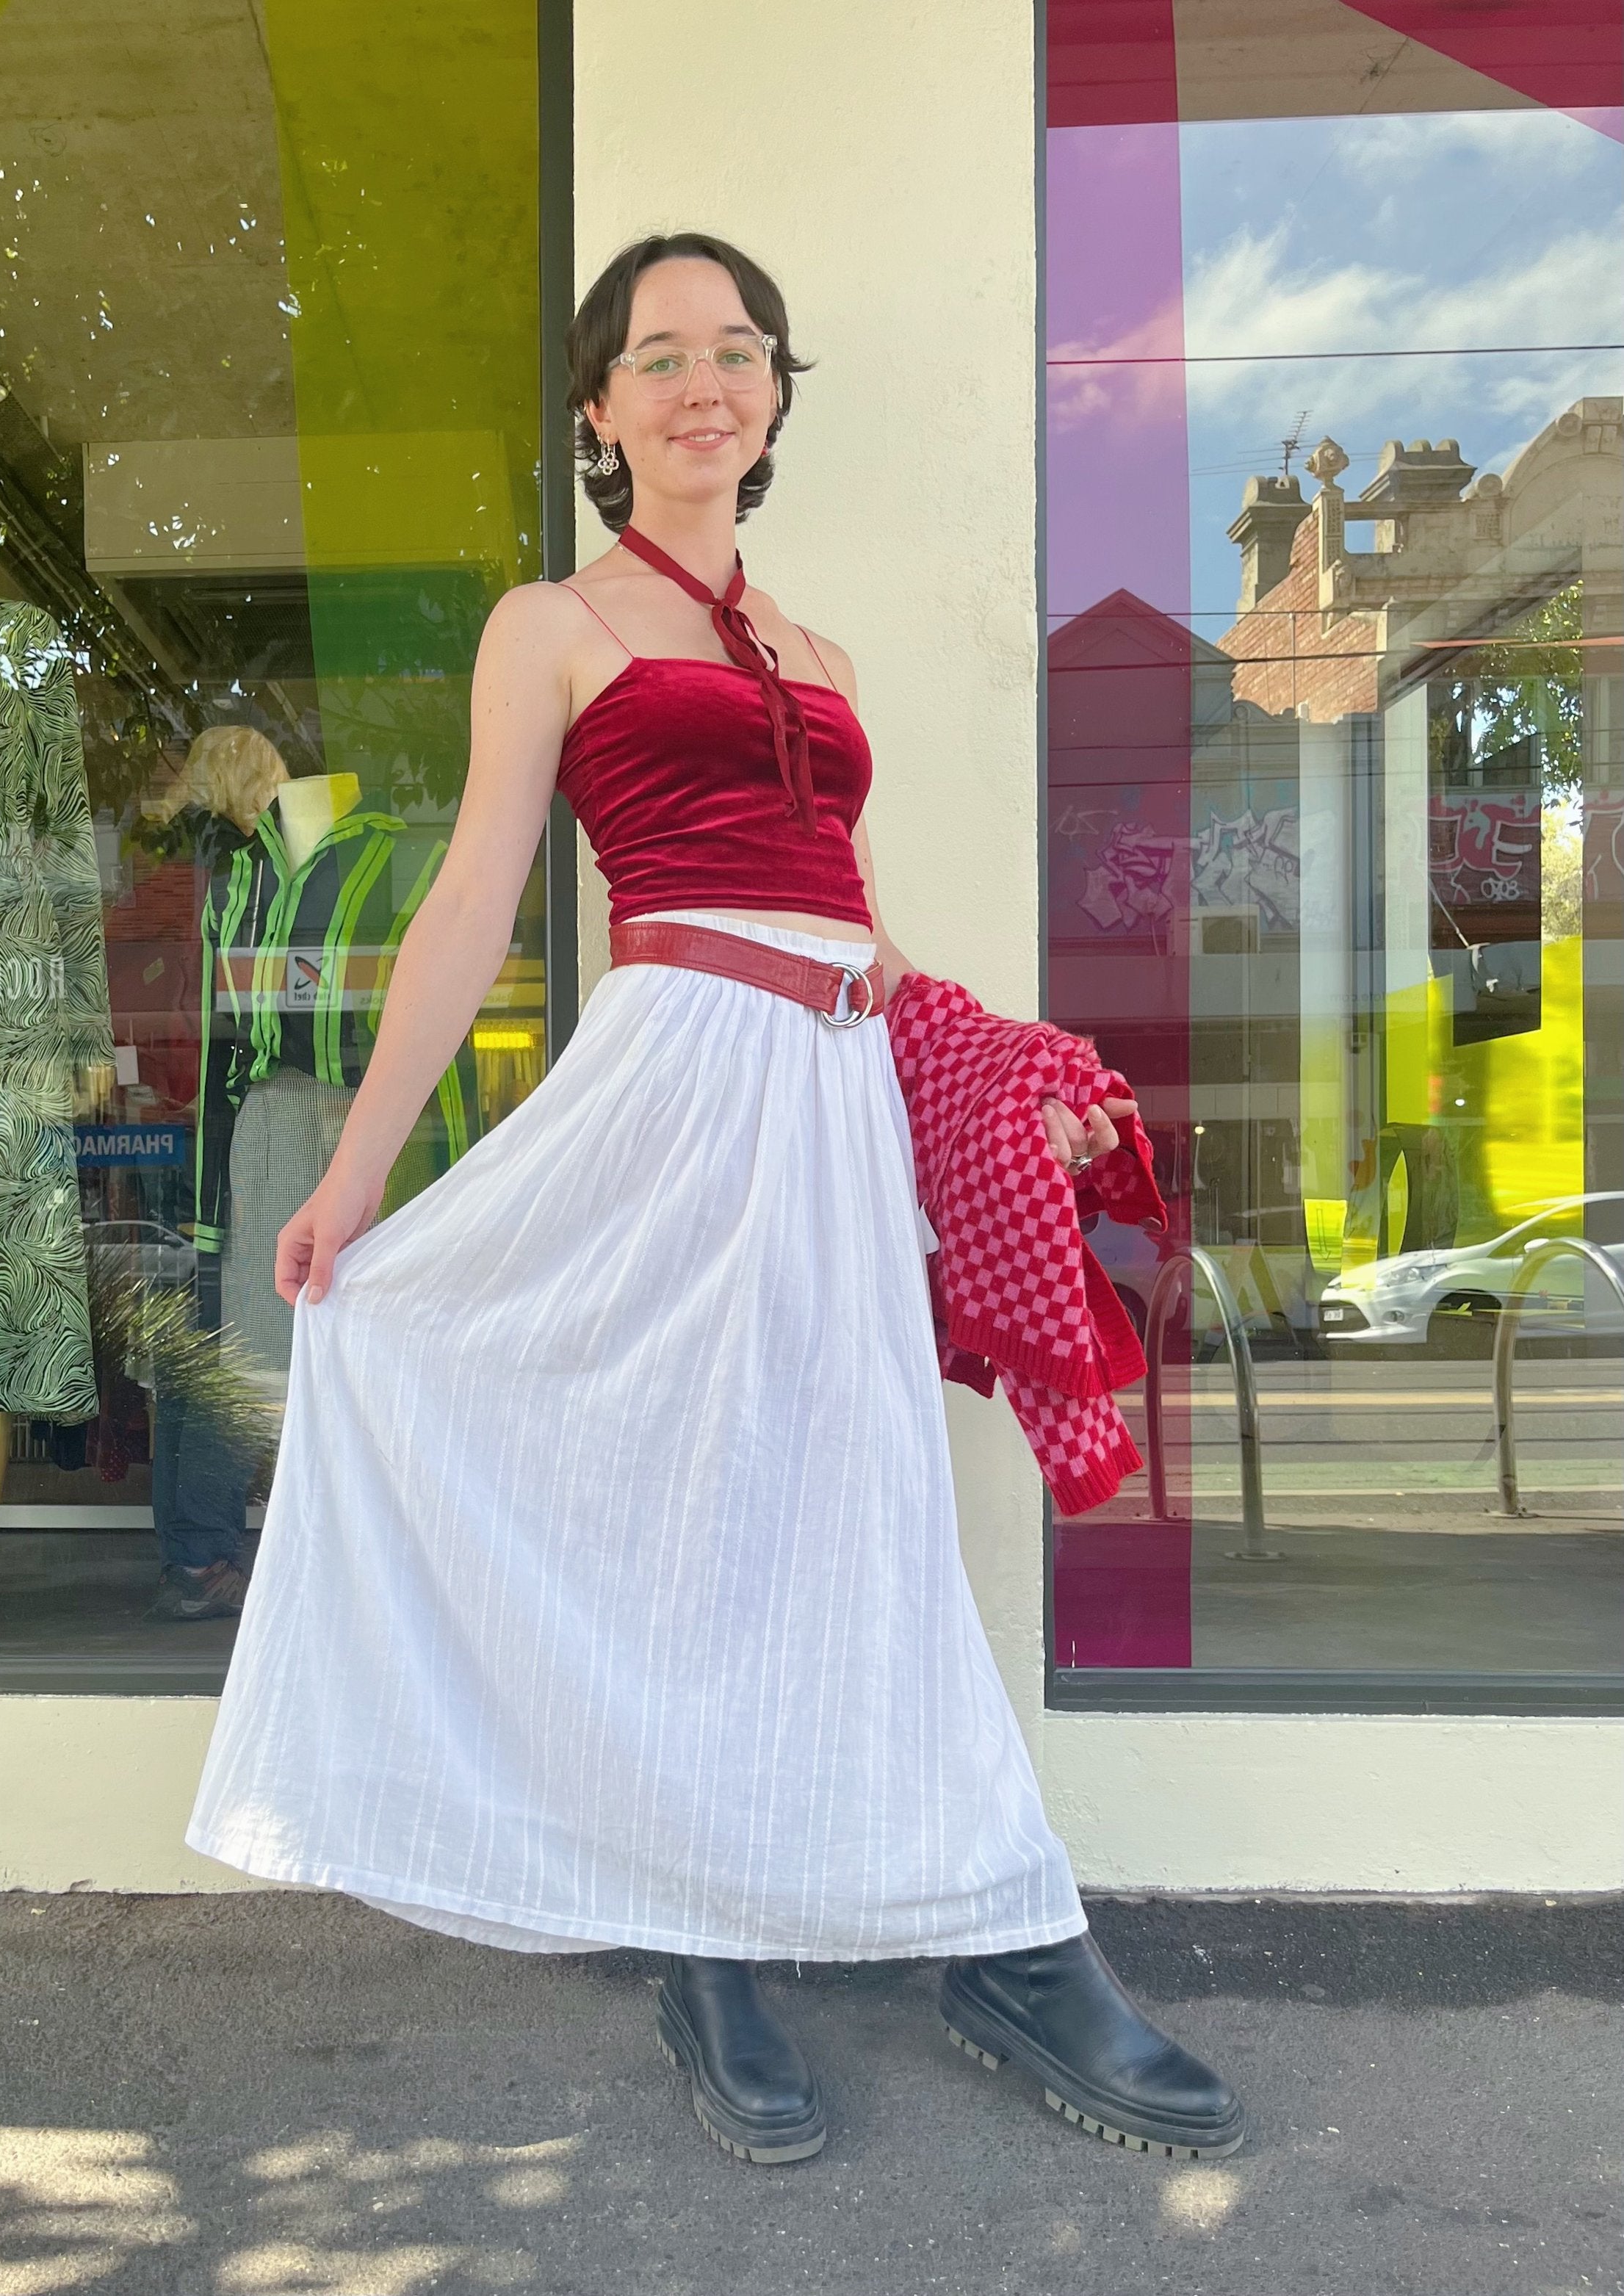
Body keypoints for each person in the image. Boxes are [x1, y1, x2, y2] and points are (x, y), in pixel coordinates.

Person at [187, 231, 1242, 2167]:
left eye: (738, 350)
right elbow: (476, 902)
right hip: (680, 1081)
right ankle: (714, 1938)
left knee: (843, 1501)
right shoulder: (555, 622)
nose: (703, 381)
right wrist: (354, 1171)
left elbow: (850, 919)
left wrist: (991, 1065)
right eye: (658, 354)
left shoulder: (817, 656)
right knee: (672, 1497)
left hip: (830, 1093)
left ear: (771, 398)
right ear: (599, 411)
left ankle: (985, 1923)